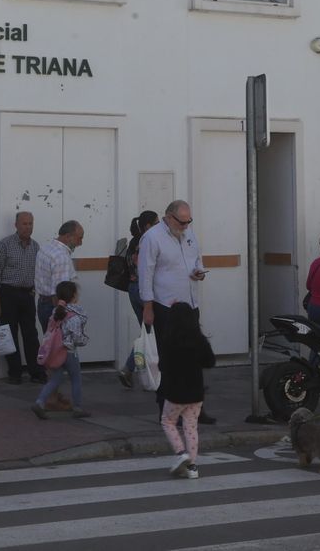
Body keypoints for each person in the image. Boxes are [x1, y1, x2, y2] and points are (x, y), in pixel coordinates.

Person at [139, 200, 214, 423]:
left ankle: (196, 408)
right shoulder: (152, 238)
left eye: (189, 221)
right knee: (169, 359)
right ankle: (167, 408)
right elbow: (146, 273)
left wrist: (198, 271)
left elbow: (196, 259)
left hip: (189, 304)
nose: (185, 226)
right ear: (169, 217)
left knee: (194, 357)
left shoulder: (189, 233)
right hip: (165, 306)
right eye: (182, 222)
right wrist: (148, 306)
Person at [157, 301, 215, 479]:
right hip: (196, 392)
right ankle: (193, 467)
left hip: (175, 392)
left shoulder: (168, 341)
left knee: (167, 421)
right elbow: (210, 361)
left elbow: (162, 366)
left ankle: (181, 453)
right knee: (191, 427)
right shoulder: (199, 340)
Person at [0, 211, 43, 385]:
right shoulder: (5, 245)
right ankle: (15, 373)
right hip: (8, 294)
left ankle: (36, 372)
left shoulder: (35, 246)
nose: (28, 227)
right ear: (16, 225)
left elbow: (38, 272)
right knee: (9, 334)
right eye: (24, 224)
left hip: (27, 294)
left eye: (30, 223)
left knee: (31, 334)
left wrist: (35, 290)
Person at [30, 280, 90, 420]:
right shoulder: (75, 316)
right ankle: (78, 407)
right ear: (74, 296)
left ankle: (40, 402)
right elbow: (76, 337)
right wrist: (84, 340)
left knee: (55, 379)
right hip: (69, 352)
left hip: (56, 352)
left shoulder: (56, 312)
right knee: (76, 378)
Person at [119, 210, 160, 389]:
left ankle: (132, 369)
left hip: (133, 290)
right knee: (152, 333)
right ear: (148, 226)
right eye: (156, 223)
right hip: (144, 292)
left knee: (147, 333)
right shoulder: (147, 242)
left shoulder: (134, 242)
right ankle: (134, 369)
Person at [34, 220, 83, 336]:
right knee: (60, 345)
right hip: (55, 308)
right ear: (68, 236)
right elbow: (60, 294)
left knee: (49, 343)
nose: (80, 243)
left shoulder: (46, 247)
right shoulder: (61, 256)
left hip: (42, 304)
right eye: (79, 238)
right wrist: (62, 315)